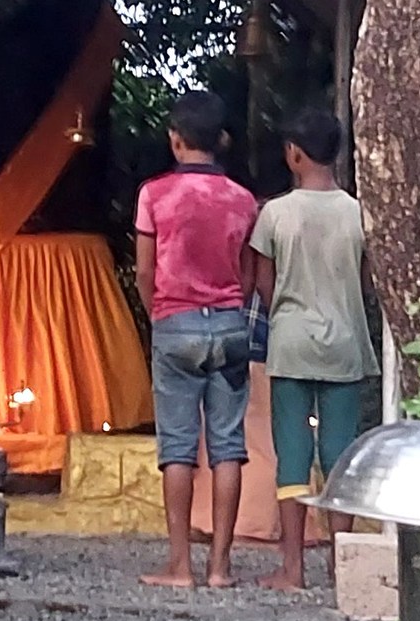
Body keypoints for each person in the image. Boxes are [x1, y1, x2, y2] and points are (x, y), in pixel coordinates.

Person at [132, 90, 259, 589]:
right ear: (221, 141)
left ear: (175, 139)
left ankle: (180, 565)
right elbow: (248, 274)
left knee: (179, 448)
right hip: (228, 323)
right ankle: (221, 568)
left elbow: (145, 270)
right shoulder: (243, 199)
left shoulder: (153, 195)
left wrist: (159, 314)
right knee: (228, 445)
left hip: (175, 322)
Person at [248, 109, 377, 591]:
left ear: (293, 153)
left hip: (292, 341)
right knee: (340, 454)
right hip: (345, 341)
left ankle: (293, 569)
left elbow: (264, 283)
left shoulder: (276, 213)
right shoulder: (358, 212)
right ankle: (342, 568)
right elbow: (367, 281)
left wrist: (289, 310)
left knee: (294, 453)